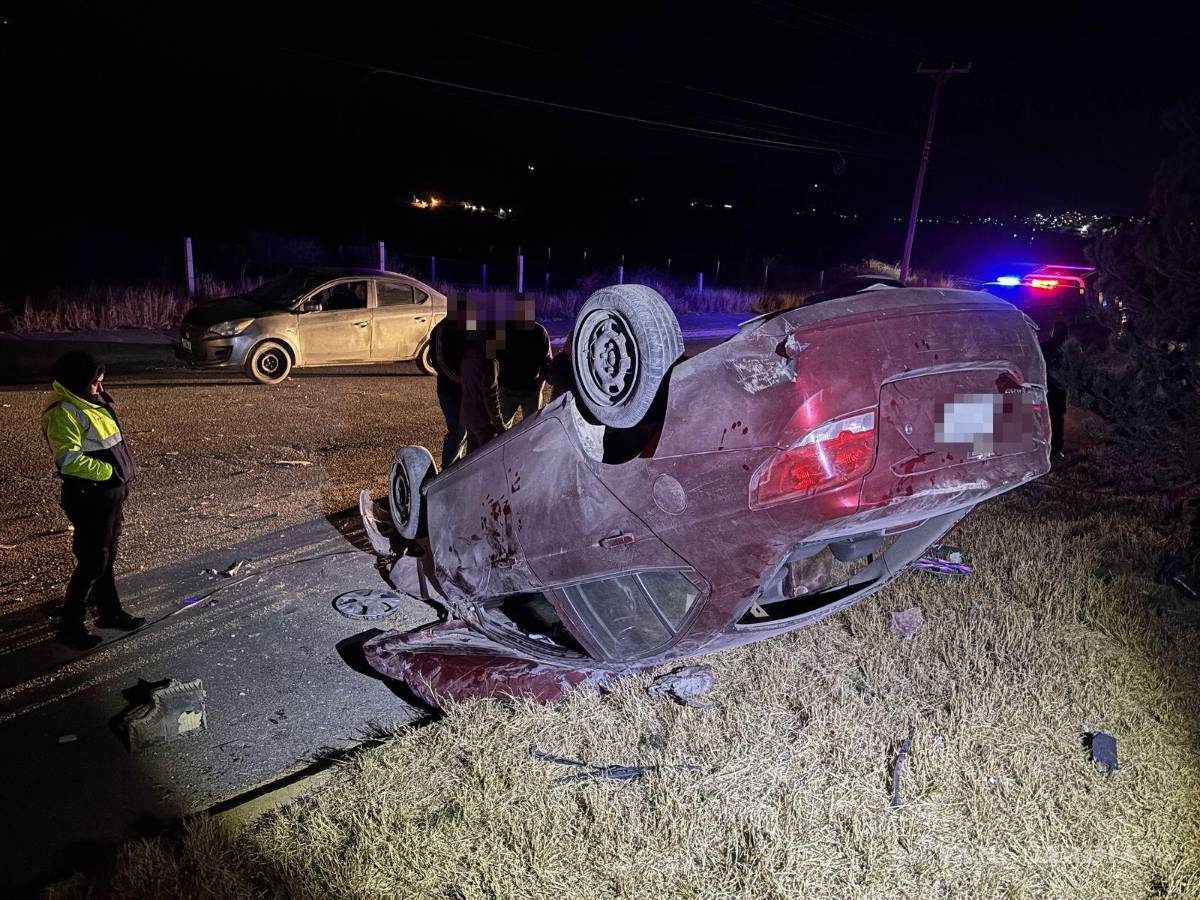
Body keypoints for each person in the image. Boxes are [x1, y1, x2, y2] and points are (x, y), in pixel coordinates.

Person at [42, 352, 145, 649]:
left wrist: (117, 478)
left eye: (101, 382)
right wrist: (109, 472)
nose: (100, 388)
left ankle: (109, 612)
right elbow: (68, 460)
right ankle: (71, 627)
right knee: (92, 563)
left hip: (109, 495)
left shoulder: (88, 401)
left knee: (106, 557)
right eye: (94, 383)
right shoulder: (64, 411)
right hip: (90, 497)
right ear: (77, 382)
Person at [496, 296, 552, 426]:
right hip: (507, 390)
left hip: (531, 391)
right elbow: (492, 358)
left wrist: (539, 388)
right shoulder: (503, 330)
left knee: (531, 431)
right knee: (500, 433)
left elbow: (546, 362)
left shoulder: (539, 332)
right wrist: (498, 385)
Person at [429, 299, 469, 468]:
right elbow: (438, 361)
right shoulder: (441, 330)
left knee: (471, 430)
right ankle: (449, 469)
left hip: (469, 389)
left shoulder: (471, 326)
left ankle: (462, 467)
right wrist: (458, 379)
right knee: (457, 430)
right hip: (450, 390)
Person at [1040, 320, 1069, 459]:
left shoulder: (1065, 349)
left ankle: (1054, 449)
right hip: (1052, 389)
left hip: (1053, 389)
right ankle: (1053, 449)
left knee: (1053, 420)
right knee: (1053, 420)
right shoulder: (1059, 349)